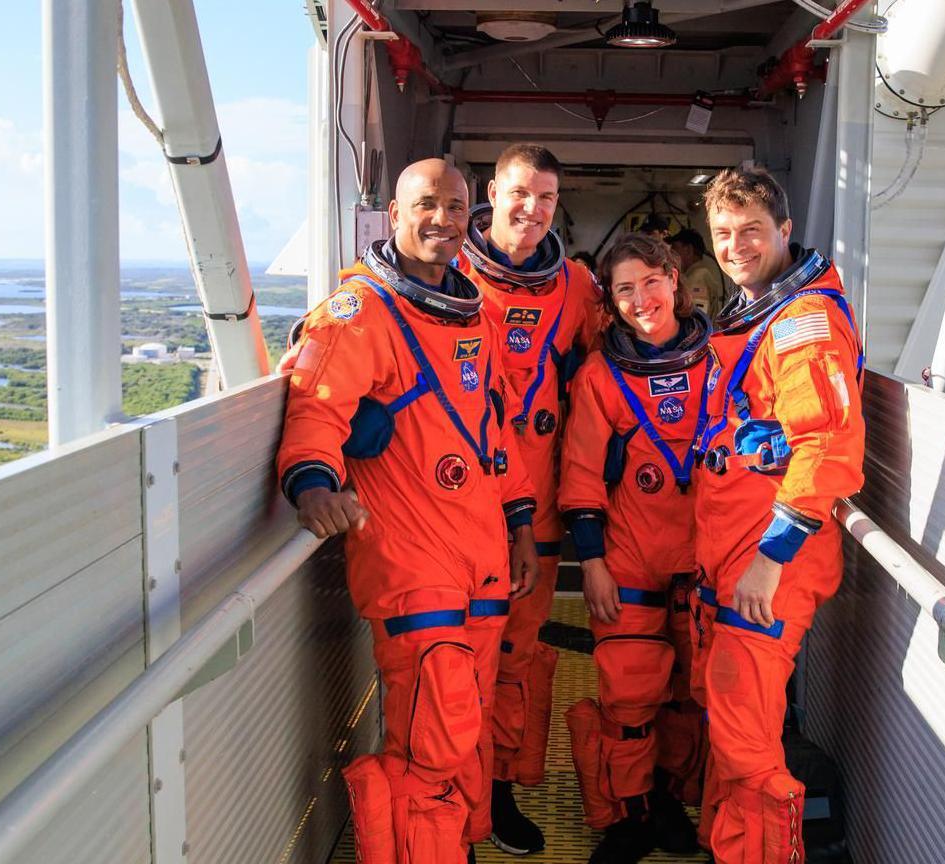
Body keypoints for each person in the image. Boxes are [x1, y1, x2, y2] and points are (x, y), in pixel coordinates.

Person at [276, 158, 539, 864]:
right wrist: (313, 485)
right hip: (412, 562)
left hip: (482, 556)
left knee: (468, 723)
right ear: (394, 215)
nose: (443, 221)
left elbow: (493, 430)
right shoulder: (359, 314)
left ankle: (456, 846)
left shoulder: (471, 312)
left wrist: (519, 523)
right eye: (427, 205)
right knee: (431, 737)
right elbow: (316, 409)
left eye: (456, 208)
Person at [691, 166, 865, 861]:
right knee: (738, 733)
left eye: (752, 232)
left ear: (785, 232)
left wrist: (770, 560)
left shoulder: (803, 323)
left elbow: (826, 444)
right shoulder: (759, 313)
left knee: (747, 747)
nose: (735, 247)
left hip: (770, 566)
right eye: (724, 234)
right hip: (737, 557)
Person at [455, 142, 605, 855]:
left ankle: (498, 791)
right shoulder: (445, 270)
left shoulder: (576, 288)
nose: (532, 209)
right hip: (454, 513)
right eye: (520, 193)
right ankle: (446, 798)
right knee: (452, 661)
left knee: (515, 660)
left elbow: (616, 366)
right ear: (492, 191)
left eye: (546, 198)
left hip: (535, 517)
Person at [559, 234, 710, 864]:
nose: (641, 298)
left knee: (688, 696)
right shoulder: (601, 375)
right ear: (612, 301)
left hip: (704, 560)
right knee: (628, 700)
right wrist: (591, 562)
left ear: (674, 279)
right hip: (629, 560)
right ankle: (631, 813)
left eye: (651, 281)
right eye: (624, 289)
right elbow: (581, 474)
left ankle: (668, 800)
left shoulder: (721, 360)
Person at [666, 228, 728, 318]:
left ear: (688, 250)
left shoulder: (698, 277)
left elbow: (696, 318)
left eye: (675, 249)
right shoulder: (694, 275)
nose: (671, 255)